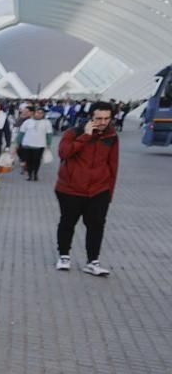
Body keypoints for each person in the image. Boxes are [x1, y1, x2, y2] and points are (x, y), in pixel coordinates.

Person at [55, 102, 119, 276]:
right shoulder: (73, 132)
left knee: (97, 226)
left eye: (107, 118)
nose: (103, 122)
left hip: (99, 190)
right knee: (68, 222)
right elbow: (64, 153)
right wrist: (85, 136)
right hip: (70, 189)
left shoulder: (111, 136)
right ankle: (64, 256)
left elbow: (113, 166)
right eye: (99, 118)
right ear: (91, 117)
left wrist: (108, 193)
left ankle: (93, 261)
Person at [16, 104, 53, 182]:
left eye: (41, 113)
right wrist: (17, 142)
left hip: (39, 145)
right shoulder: (28, 122)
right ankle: (29, 175)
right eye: (37, 112)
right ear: (34, 113)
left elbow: (49, 134)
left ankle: (35, 174)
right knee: (28, 160)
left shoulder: (47, 123)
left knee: (37, 160)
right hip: (27, 144)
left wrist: (49, 144)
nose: (39, 114)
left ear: (43, 114)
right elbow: (21, 133)